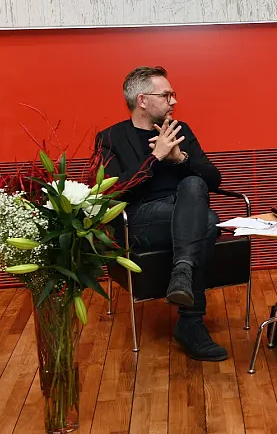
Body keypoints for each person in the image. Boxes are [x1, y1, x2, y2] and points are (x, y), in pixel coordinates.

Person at [96, 66, 227, 361]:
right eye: (166, 95)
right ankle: (191, 323)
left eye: (173, 95)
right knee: (207, 221)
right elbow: (112, 192)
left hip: (186, 210)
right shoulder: (111, 138)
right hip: (140, 218)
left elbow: (214, 179)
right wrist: (155, 157)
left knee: (195, 187)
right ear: (142, 100)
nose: (174, 101)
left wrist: (180, 159)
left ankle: (183, 278)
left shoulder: (182, 131)